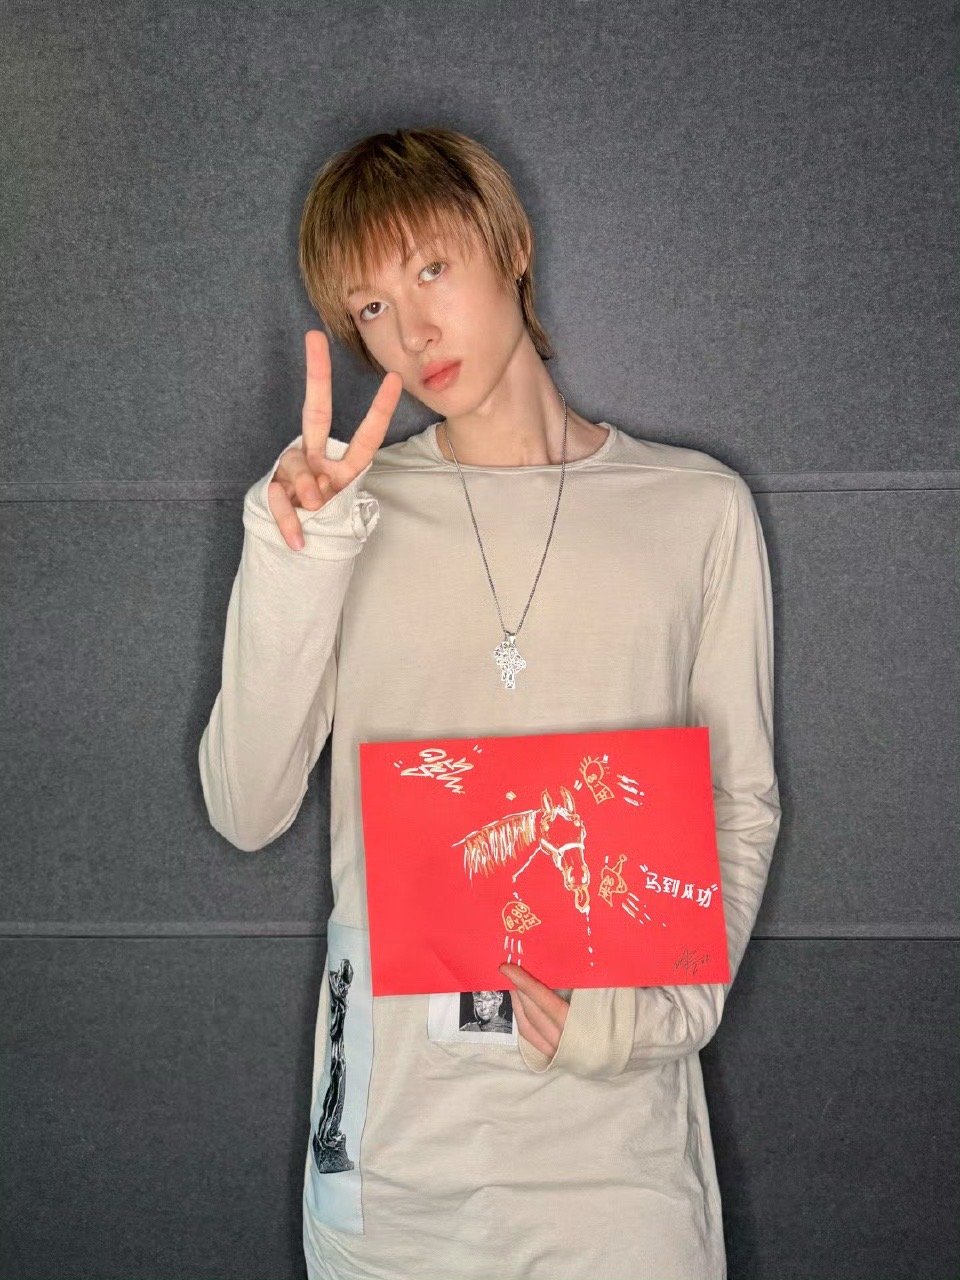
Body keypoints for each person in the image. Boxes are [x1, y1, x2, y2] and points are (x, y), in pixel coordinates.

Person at [198, 125, 781, 1280]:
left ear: (511, 247)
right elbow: (246, 806)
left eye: (431, 269)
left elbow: (740, 803)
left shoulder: (696, 509)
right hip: (397, 1158)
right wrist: (295, 549)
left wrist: (643, 1018)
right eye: (371, 306)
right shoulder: (346, 507)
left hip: (617, 1158)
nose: (411, 331)